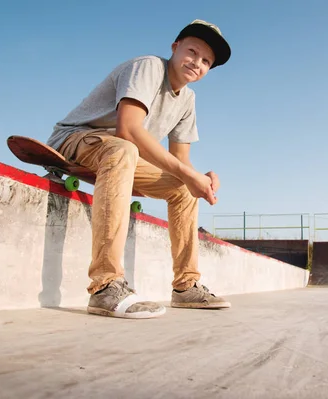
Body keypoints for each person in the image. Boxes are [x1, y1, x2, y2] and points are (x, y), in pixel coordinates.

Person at [46, 19, 232, 319]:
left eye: (206, 61)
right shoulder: (149, 67)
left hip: (121, 155)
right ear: (175, 47)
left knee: (183, 188)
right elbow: (129, 129)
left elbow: (181, 161)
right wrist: (188, 174)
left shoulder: (188, 100)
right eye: (192, 52)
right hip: (76, 140)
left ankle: (186, 287)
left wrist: (201, 179)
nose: (197, 63)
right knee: (125, 148)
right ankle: (105, 286)